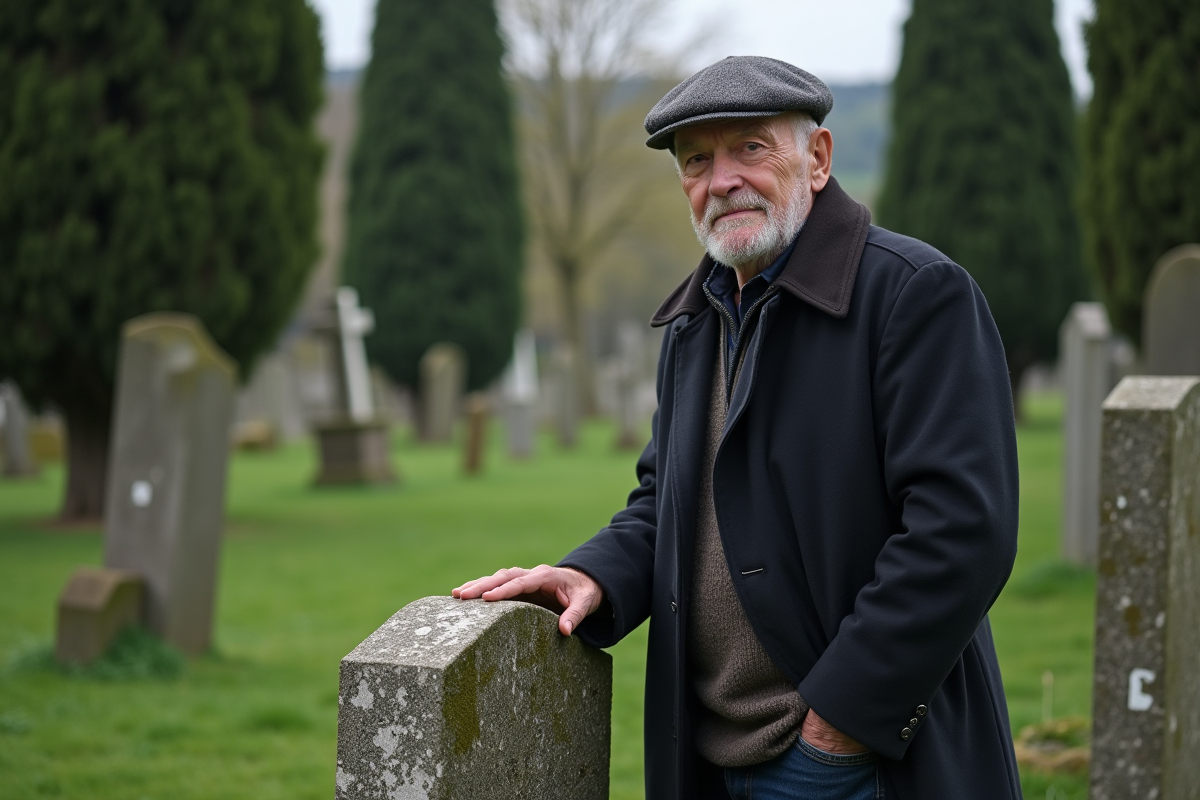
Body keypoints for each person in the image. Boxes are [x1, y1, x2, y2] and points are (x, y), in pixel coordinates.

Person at [454, 56, 1021, 800]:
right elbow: (667, 502)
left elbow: (962, 533)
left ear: (816, 159)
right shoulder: (696, 323)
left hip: (864, 761)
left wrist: (837, 726)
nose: (722, 180)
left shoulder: (913, 295)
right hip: (713, 759)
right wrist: (592, 573)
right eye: (697, 160)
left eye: (750, 148)